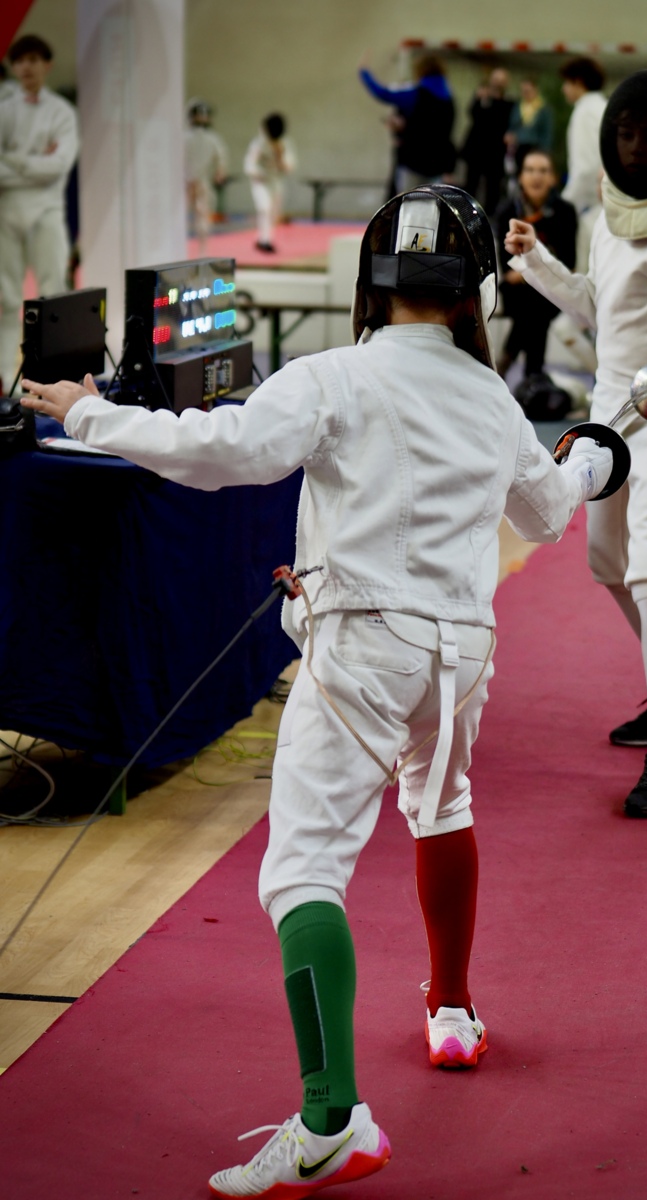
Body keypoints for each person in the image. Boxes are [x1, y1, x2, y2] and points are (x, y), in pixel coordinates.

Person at [20, 184, 614, 1198]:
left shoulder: (338, 374)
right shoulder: (491, 399)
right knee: (443, 804)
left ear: (375, 279)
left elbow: (222, 453)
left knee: (302, 871)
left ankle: (331, 1121)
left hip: (368, 653)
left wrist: (89, 411)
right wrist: (598, 454)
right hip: (462, 658)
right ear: (473, 291)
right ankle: (453, 1014)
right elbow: (551, 512)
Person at [505, 70, 647, 817]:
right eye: (625, 133)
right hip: (610, 412)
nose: (634, 148)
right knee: (606, 559)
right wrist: (537, 262)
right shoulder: (609, 219)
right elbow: (600, 307)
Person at [0, 34, 78, 394]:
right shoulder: (5, 109)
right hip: (6, 212)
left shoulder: (62, 112)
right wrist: (35, 164)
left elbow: (59, 165)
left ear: (47, 64)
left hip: (47, 210)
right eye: (19, 61)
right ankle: (7, 381)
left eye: (33, 59)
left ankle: (50, 382)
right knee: (5, 299)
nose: (26, 67)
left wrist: (11, 159)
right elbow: (45, 167)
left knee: (52, 298)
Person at [493, 149, 576, 380]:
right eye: (530, 170)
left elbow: (568, 263)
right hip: (518, 291)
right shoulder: (507, 212)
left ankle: (504, 365)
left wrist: (532, 269)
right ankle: (533, 376)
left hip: (553, 289)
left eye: (543, 170)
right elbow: (509, 270)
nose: (536, 176)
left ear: (553, 178)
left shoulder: (565, 212)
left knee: (538, 301)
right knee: (534, 304)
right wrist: (542, 267)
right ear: (520, 177)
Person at [359, 53, 456, 192]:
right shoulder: (449, 99)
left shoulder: (416, 94)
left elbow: (382, 93)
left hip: (414, 160)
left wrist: (364, 72)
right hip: (437, 162)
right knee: (432, 200)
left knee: (409, 199)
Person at [460, 67, 512, 213]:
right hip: (476, 149)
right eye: (495, 79)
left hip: (495, 151)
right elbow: (472, 114)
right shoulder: (482, 98)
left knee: (493, 188)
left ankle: (490, 217)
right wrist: (480, 99)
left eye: (501, 80)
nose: (497, 83)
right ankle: (466, 214)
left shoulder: (508, 103)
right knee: (471, 184)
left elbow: (504, 122)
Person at [559, 57, 606, 215]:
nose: (563, 89)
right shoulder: (602, 105)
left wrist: (565, 203)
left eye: (566, 83)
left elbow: (585, 168)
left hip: (590, 207)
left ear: (578, 82)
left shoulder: (585, 112)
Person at [244, 112, 296, 254]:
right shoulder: (259, 143)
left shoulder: (284, 144)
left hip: (276, 182)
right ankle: (264, 241)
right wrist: (257, 173)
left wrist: (280, 156)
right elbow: (249, 164)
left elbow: (288, 168)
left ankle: (264, 239)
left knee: (273, 213)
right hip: (260, 182)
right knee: (264, 208)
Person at [185, 98, 228, 255]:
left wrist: (220, 173)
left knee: (195, 217)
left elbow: (221, 159)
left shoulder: (185, 137)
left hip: (189, 182)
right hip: (194, 182)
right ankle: (201, 251)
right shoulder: (211, 139)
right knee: (199, 217)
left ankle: (198, 251)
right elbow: (221, 159)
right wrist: (220, 173)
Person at [505, 76, 553, 178]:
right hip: (518, 146)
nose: (525, 94)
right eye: (523, 91)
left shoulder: (542, 108)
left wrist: (544, 151)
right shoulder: (518, 106)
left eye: (528, 91)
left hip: (534, 147)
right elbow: (512, 125)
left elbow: (547, 132)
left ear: (535, 90)